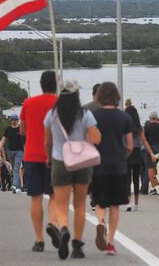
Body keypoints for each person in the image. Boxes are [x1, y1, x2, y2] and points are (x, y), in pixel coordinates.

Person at [44, 79, 102, 259]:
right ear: (77, 94)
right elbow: (95, 139)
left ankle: (63, 228)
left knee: (61, 204)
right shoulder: (85, 114)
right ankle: (77, 244)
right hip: (82, 163)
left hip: (60, 160)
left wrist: (49, 158)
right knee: (79, 205)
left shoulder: (52, 115)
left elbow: (47, 141)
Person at [91, 82, 133, 256]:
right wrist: (122, 158)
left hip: (98, 166)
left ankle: (101, 222)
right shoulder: (124, 117)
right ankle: (110, 242)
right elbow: (130, 145)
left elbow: (89, 141)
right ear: (116, 96)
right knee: (114, 205)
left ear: (99, 96)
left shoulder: (93, 116)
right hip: (118, 166)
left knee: (100, 202)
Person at [20, 70, 60, 253]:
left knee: (35, 197)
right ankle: (52, 222)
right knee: (54, 195)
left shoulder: (28, 103)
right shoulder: (60, 104)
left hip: (32, 155)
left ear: (41, 84)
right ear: (56, 83)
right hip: (54, 155)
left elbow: (22, 131)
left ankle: (39, 240)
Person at [124, 105, 156, 211]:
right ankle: (136, 203)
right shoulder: (139, 127)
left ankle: (128, 202)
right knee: (137, 179)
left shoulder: (123, 126)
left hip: (127, 153)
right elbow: (144, 141)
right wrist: (151, 153)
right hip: (137, 154)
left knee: (127, 179)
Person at [0, 114, 25, 194]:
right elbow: (3, 140)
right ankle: (19, 187)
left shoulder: (21, 129)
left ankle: (14, 185)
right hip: (10, 151)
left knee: (16, 168)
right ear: (11, 121)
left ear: (18, 120)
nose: (14, 121)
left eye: (15, 119)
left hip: (19, 151)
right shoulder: (8, 129)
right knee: (14, 169)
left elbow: (26, 140)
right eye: (12, 119)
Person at [143, 111, 159, 195]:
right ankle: (156, 183)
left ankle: (153, 187)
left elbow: (145, 138)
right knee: (154, 165)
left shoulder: (147, 127)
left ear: (149, 117)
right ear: (157, 118)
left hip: (151, 148)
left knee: (150, 168)